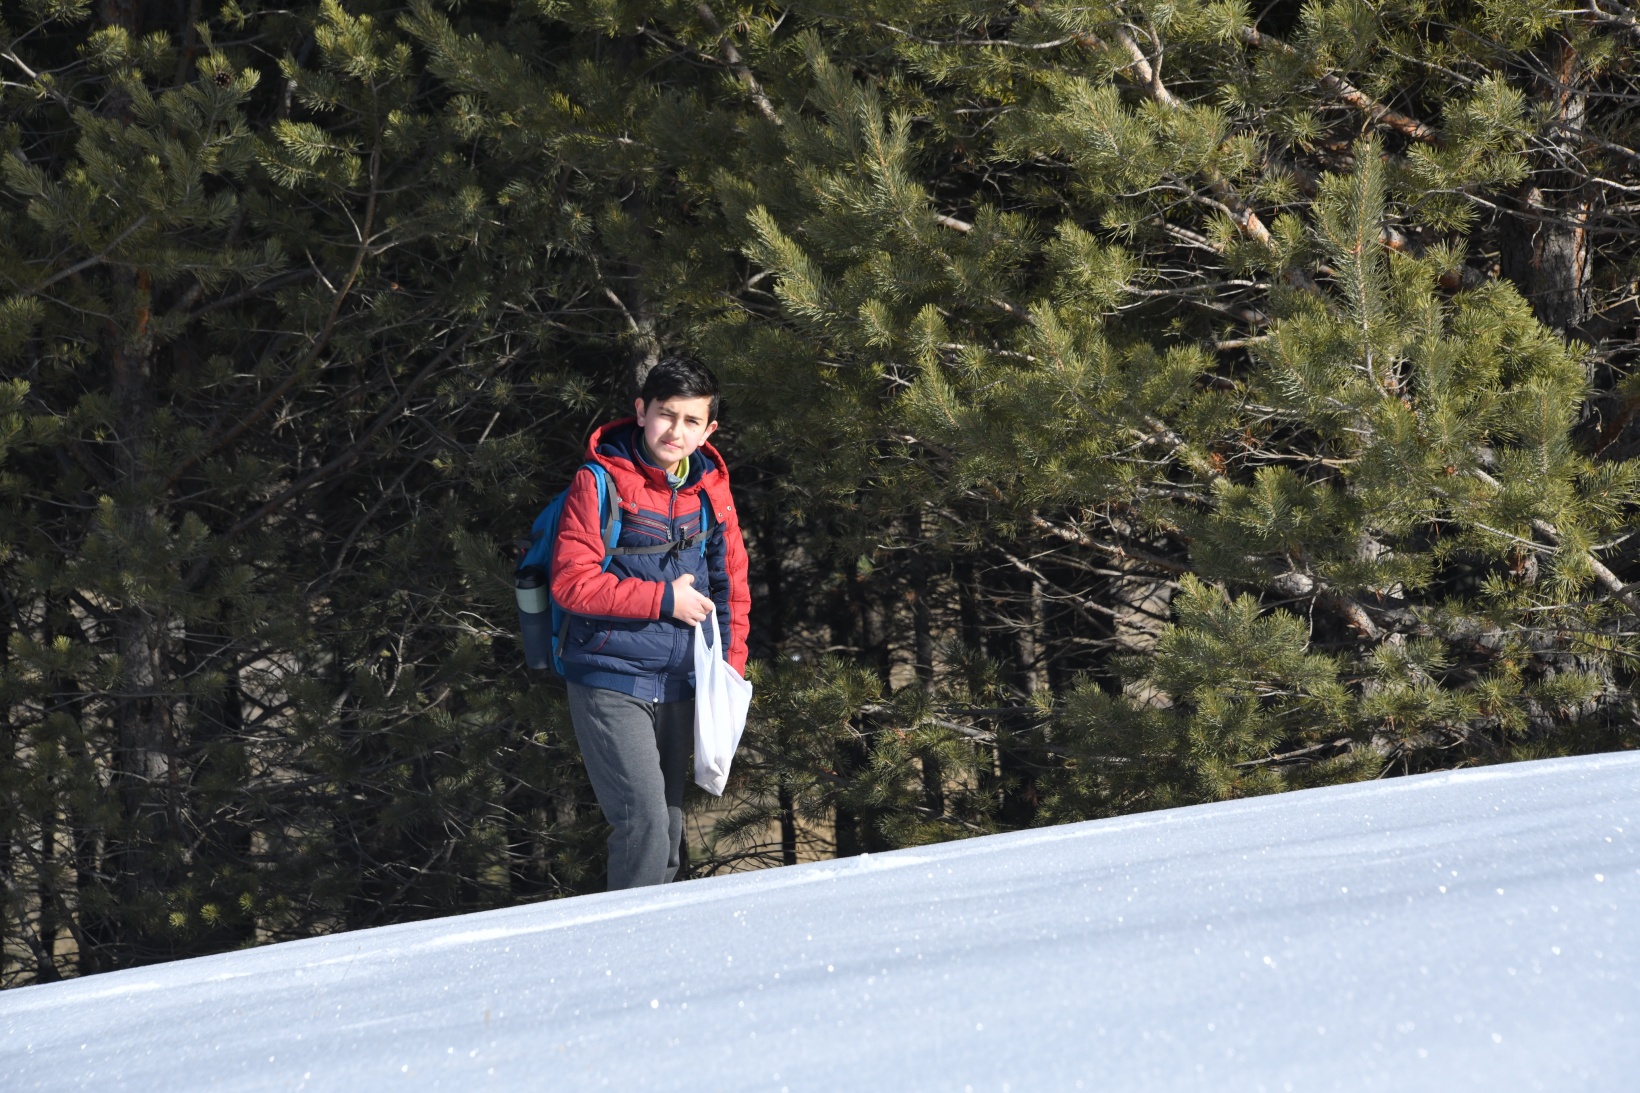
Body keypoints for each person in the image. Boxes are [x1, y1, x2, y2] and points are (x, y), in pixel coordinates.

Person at [550, 355, 751, 889]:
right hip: (609, 676)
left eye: (691, 421)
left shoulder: (710, 487)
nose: (676, 431)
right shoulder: (598, 482)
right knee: (642, 823)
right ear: (641, 411)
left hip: (683, 681)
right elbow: (572, 582)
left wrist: (729, 672)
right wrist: (664, 600)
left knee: (667, 827)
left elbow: (731, 584)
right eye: (666, 415)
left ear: (710, 429)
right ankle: (629, 955)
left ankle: (658, 950)